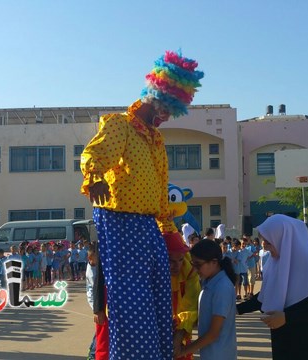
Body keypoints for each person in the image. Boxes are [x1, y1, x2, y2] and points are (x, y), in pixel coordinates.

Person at [80, 50, 203, 360]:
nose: (166, 118)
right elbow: (95, 153)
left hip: (149, 225)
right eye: (165, 111)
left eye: (172, 113)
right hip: (119, 221)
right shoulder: (120, 125)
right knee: (132, 302)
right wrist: (93, 176)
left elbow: (162, 195)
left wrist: (171, 237)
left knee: (161, 294)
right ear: (155, 99)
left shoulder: (156, 142)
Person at [236, 215, 308, 360]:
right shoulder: (274, 263)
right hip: (284, 339)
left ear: (284, 239)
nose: (264, 245)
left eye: (268, 241)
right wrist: (237, 309)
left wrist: (287, 318)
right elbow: (265, 296)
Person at [176, 239, 237, 359]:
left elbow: (213, 334)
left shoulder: (222, 287)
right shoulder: (208, 282)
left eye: (198, 265)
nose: (195, 269)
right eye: (193, 264)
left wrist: (183, 351)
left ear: (214, 262)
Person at [165, 234, 200, 360]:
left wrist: (179, 335)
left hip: (180, 330)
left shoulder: (189, 271)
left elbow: (191, 306)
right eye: (171, 261)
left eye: (180, 260)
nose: (177, 266)